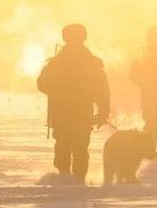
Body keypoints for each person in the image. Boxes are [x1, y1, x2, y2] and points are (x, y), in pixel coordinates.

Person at [37, 23, 110, 183]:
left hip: (71, 113)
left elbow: (42, 84)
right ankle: (73, 180)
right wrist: (103, 112)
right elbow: (103, 91)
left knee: (71, 147)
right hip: (73, 113)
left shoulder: (58, 62)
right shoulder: (89, 62)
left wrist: (103, 112)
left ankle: (71, 180)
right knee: (75, 147)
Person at [130, 25, 157, 149]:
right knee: (151, 126)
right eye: (154, 38)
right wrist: (145, 82)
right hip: (149, 98)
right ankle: (150, 151)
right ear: (149, 39)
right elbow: (133, 74)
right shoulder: (143, 56)